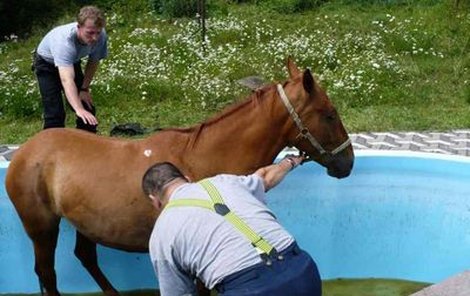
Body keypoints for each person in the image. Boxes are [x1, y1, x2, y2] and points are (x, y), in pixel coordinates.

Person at [141, 155, 322, 296]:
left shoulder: (161, 234)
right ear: (187, 179)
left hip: (247, 288)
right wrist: (290, 161)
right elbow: (265, 177)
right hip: (302, 270)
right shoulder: (225, 181)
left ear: (154, 200)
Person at [32, 5, 108, 133]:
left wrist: (84, 88)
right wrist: (78, 109)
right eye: (89, 33)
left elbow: (93, 61)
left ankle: (85, 146)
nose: (94, 38)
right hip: (46, 65)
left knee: (87, 109)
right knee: (55, 113)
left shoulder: (101, 36)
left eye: (97, 32)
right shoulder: (64, 42)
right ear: (79, 27)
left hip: (71, 62)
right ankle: (52, 149)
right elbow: (67, 80)